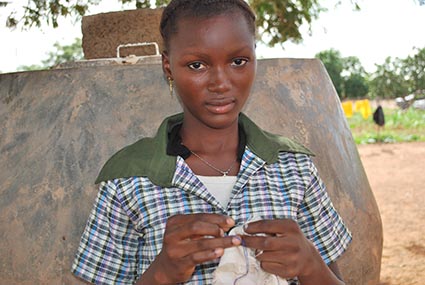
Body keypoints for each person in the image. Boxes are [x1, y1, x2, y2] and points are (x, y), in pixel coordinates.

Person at [71, 0, 352, 284]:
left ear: (254, 57)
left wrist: (310, 265)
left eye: (238, 61)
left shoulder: (294, 167)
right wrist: (162, 273)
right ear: (168, 67)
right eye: (197, 65)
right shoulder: (127, 178)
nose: (220, 82)